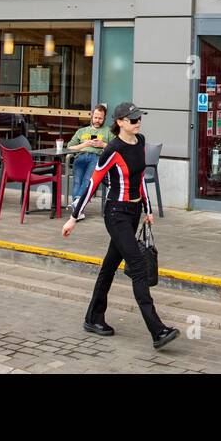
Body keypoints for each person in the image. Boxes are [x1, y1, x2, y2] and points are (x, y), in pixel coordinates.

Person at [62, 102, 179, 350]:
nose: (138, 122)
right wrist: (74, 216)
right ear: (121, 123)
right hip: (115, 214)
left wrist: (147, 209)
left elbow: (140, 180)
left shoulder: (141, 141)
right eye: (133, 119)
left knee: (109, 266)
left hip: (134, 211)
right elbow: (93, 183)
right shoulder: (112, 149)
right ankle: (158, 331)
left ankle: (93, 318)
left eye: (139, 118)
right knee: (138, 267)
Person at [67, 104, 113, 219]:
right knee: (77, 181)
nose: (97, 120)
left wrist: (102, 144)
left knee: (88, 180)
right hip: (81, 156)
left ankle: (76, 206)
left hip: (96, 157)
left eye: (100, 118)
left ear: (104, 118)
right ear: (91, 116)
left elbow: (115, 148)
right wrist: (84, 144)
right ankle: (79, 211)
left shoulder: (108, 131)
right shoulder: (82, 131)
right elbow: (69, 148)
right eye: (96, 117)